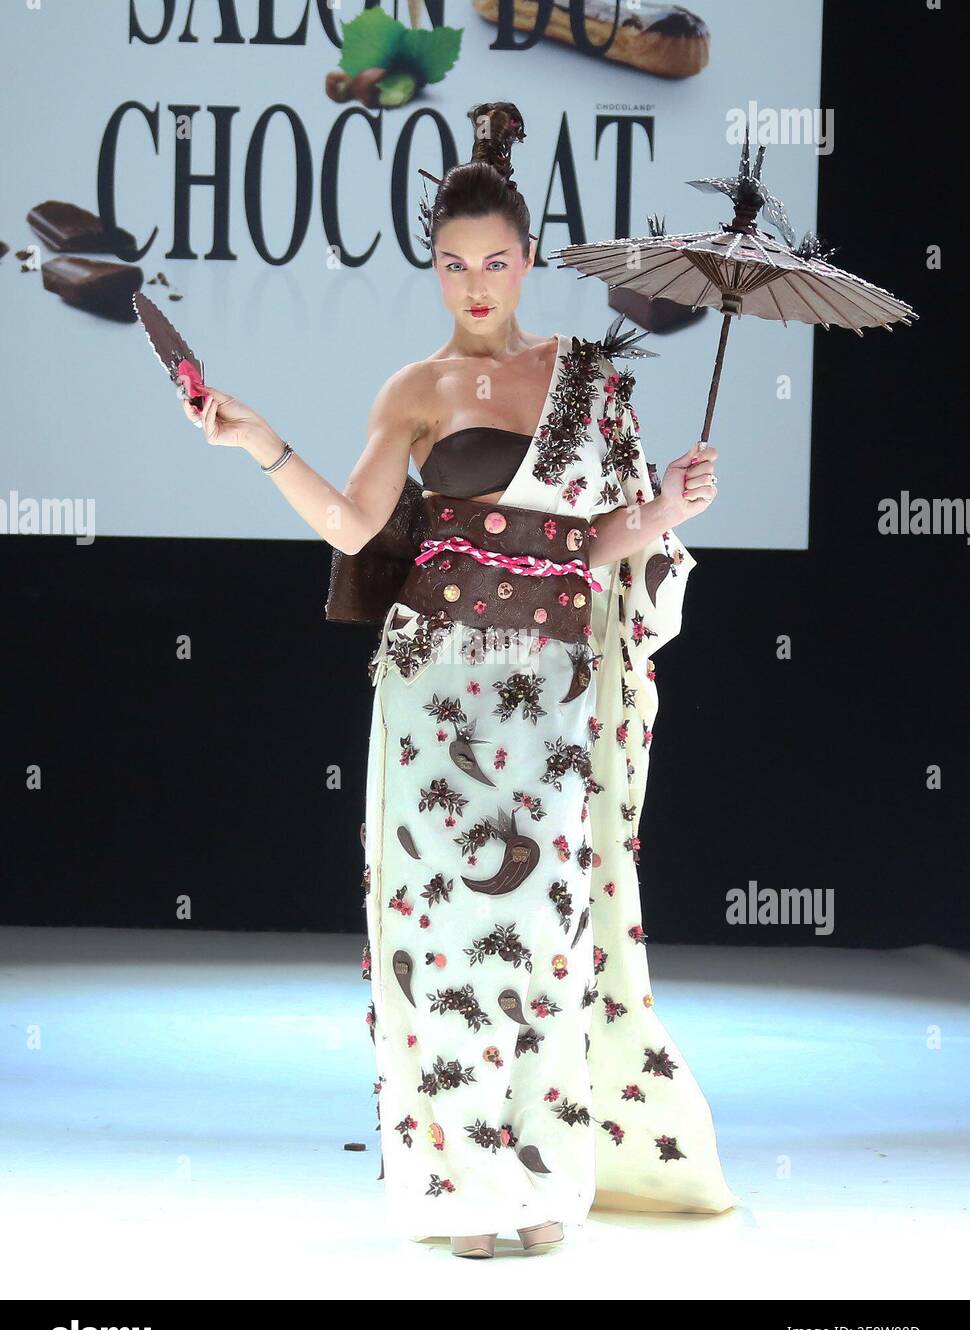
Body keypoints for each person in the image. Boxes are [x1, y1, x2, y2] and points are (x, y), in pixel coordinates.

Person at [180, 100, 739, 1259]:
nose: (474, 284)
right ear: (432, 270)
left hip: (551, 690)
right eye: (452, 265)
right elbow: (349, 523)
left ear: (526, 261)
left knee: (543, 930)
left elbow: (590, 546)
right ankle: (453, 1189)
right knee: (437, 936)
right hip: (435, 686)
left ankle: (536, 1180)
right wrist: (257, 440)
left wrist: (664, 508)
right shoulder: (417, 389)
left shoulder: (585, 379)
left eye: (494, 262)